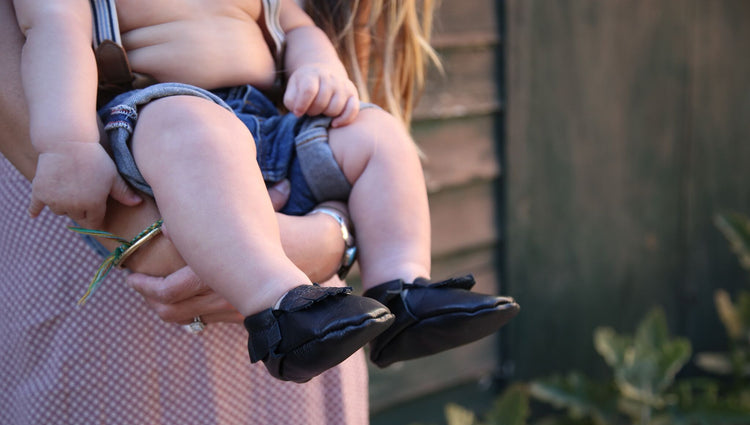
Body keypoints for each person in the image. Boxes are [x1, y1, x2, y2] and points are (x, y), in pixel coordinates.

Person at [13, 0, 519, 383]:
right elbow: (54, 32)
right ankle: (282, 311)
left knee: (376, 133)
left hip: (274, 125)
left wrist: (319, 69)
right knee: (198, 126)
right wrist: (69, 144)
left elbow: (296, 26)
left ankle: (403, 293)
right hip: (165, 123)